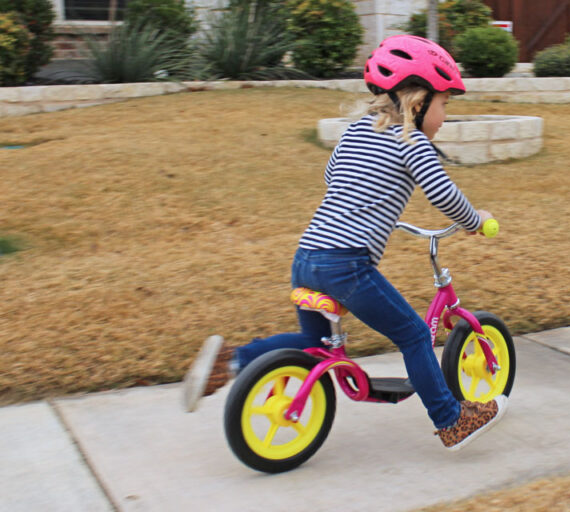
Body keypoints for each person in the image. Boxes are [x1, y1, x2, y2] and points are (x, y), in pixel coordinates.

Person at [183, 35, 507, 450]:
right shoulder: (414, 143)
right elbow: (443, 195)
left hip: (307, 257)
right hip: (346, 264)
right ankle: (451, 419)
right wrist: (475, 221)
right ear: (417, 102)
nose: (445, 116)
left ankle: (230, 362)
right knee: (412, 335)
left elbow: (333, 178)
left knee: (316, 345)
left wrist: (373, 206)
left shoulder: (355, 132)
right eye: (444, 104)